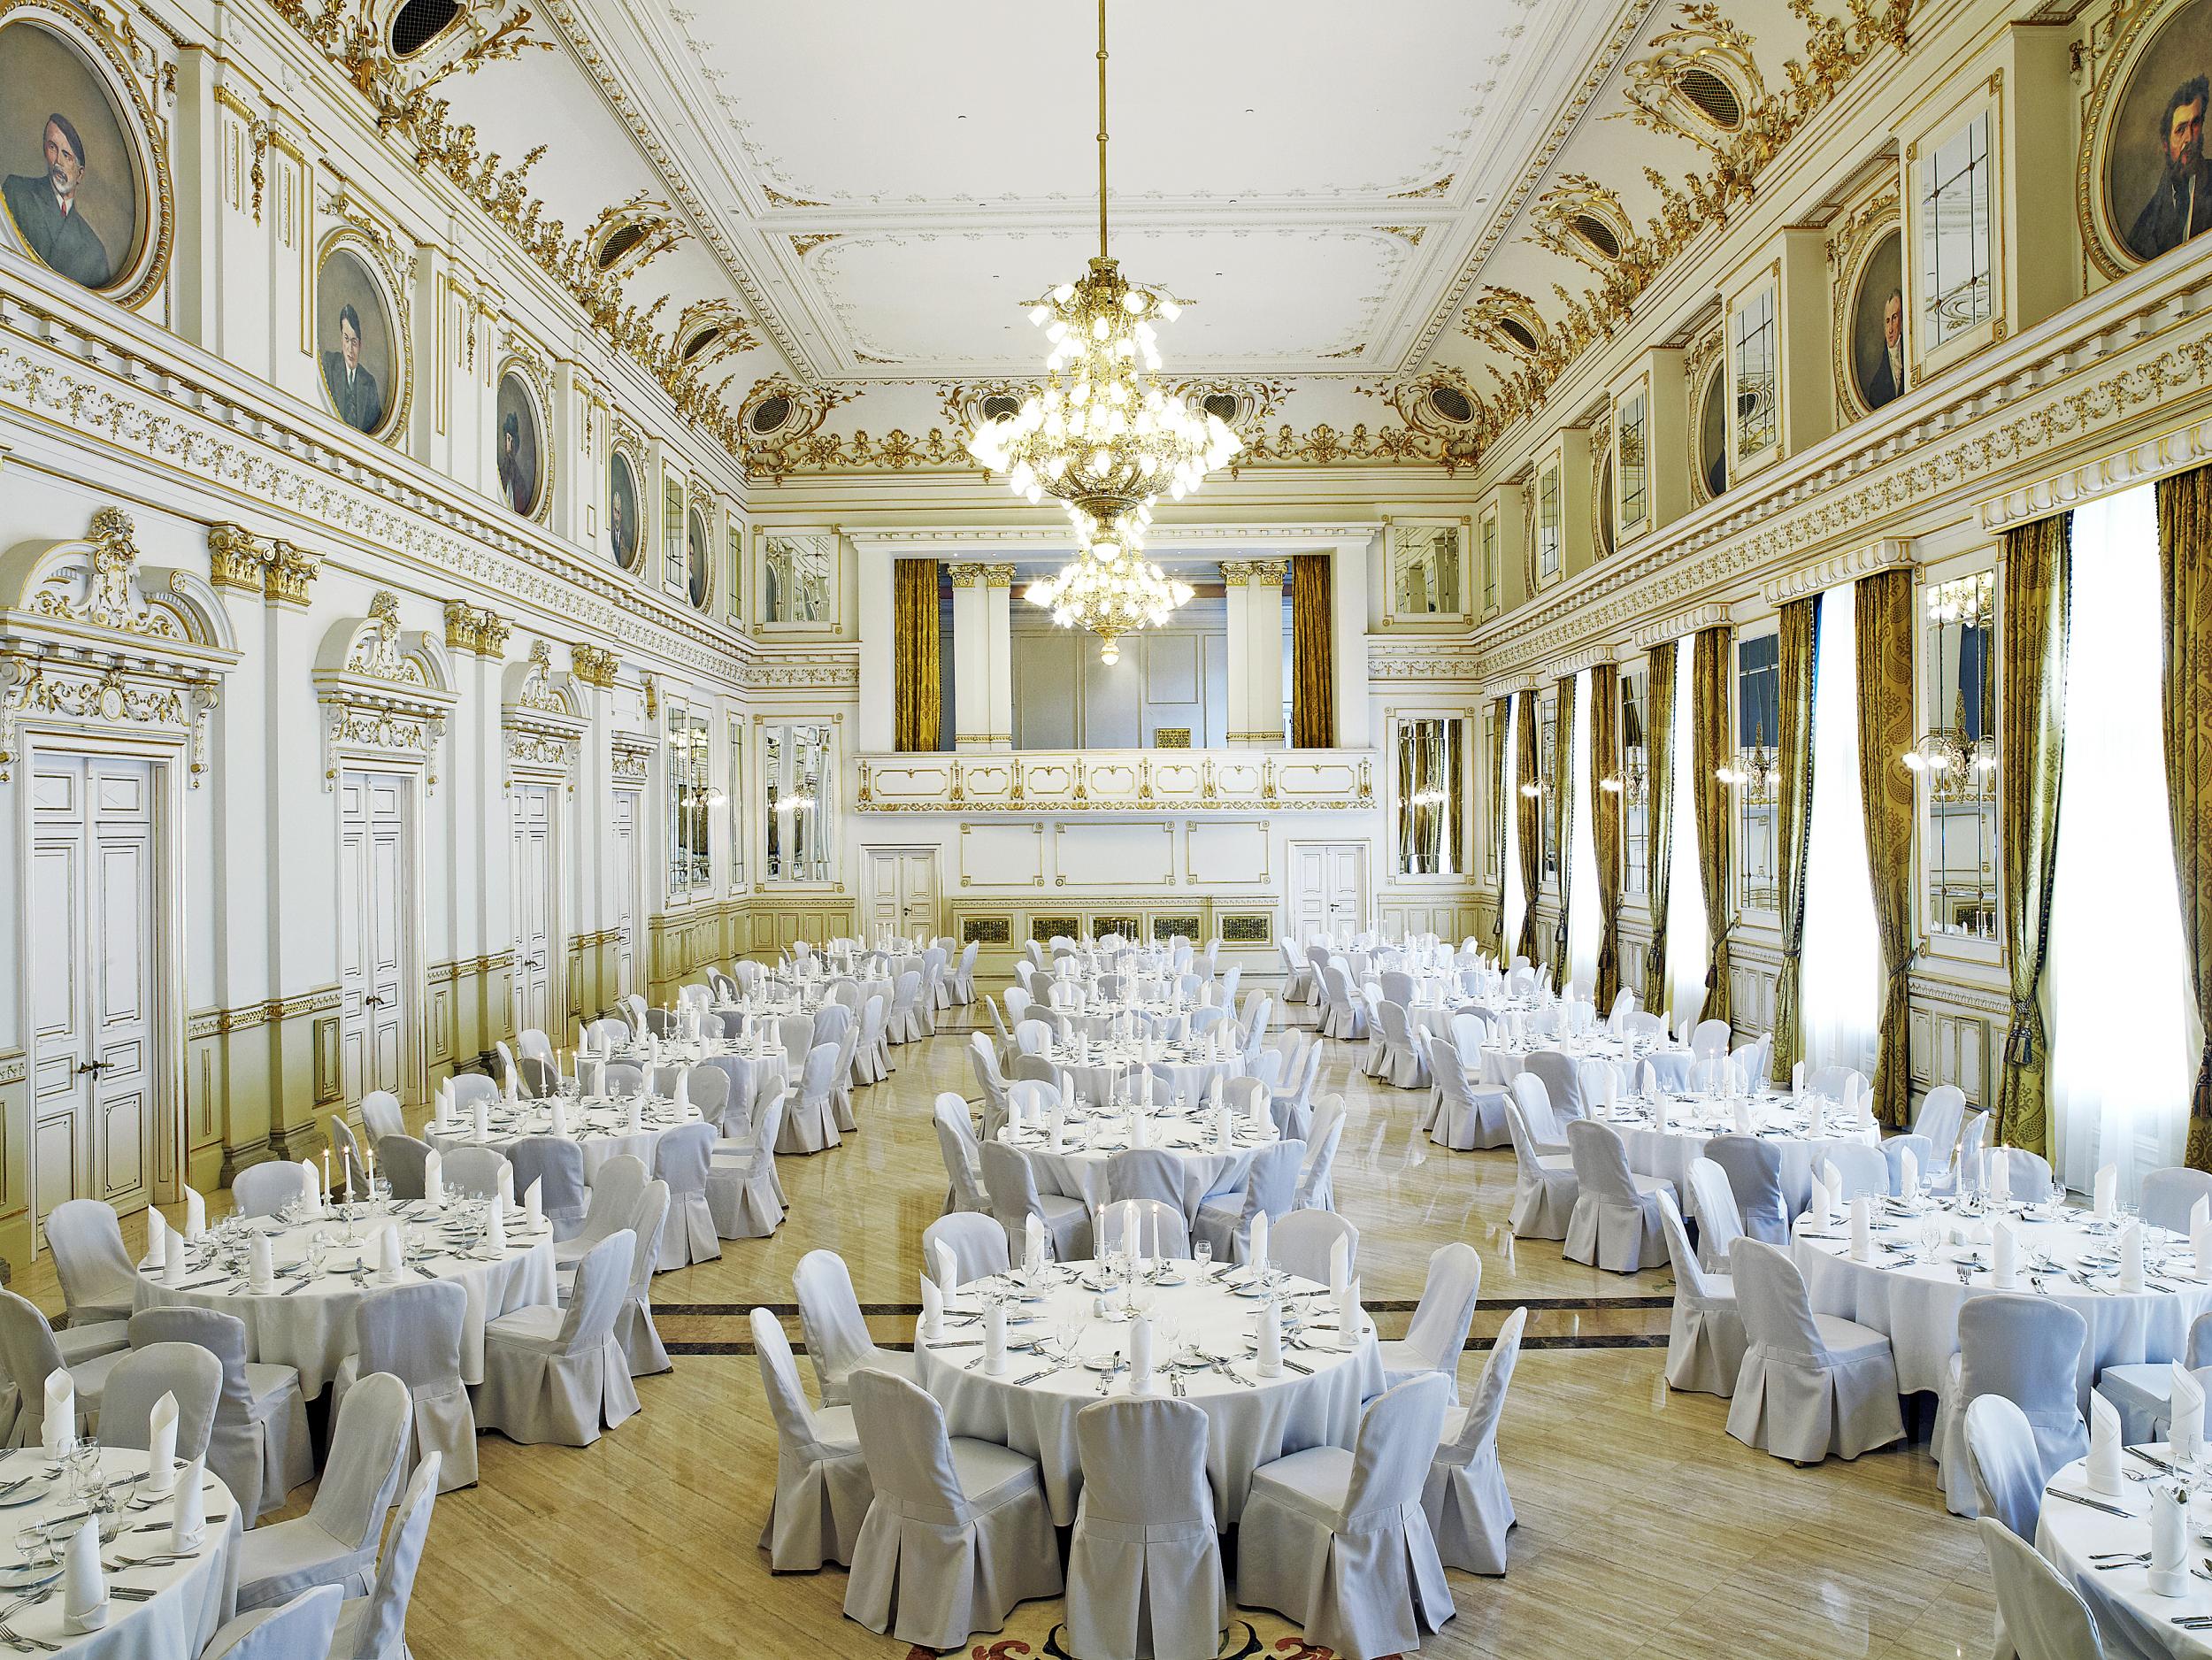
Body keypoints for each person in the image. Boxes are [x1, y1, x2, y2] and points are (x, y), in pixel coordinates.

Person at [4, 112, 111, 288]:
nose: (58, 162)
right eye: (53, 148)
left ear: (80, 174)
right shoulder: (17, 192)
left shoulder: (94, 250)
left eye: (67, 155)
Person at [2129, 74, 2211, 260]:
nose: (2189, 138)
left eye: (2195, 124)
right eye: (2180, 130)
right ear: (2166, 144)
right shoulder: (2145, 227)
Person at [321, 303, 383, 433]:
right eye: (346, 339)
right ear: (341, 338)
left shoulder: (368, 382)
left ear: (360, 345)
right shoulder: (329, 365)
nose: (350, 349)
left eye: (354, 342)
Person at [1863, 288, 1905, 409]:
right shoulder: (1876, 386)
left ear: (1902, 321)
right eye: (1887, 321)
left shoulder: (1912, 357)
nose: (1890, 328)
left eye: (1894, 318)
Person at [499, 411, 531, 513]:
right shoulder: (503, 467)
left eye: (513, 440)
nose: (511, 443)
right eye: (508, 439)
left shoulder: (518, 475)